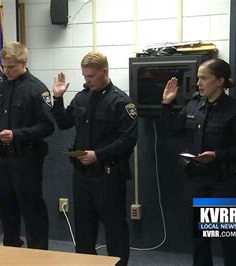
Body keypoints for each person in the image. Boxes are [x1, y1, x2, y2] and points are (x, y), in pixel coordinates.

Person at [161, 59, 236, 266]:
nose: (198, 83)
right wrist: (167, 103)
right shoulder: (194, 104)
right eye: (198, 78)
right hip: (199, 181)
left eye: (204, 78)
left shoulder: (235, 110)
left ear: (220, 81)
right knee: (200, 240)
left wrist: (218, 154)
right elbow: (170, 131)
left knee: (227, 241)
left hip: (225, 183)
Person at [52, 51, 137, 266]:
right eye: (84, 76)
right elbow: (63, 123)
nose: (86, 81)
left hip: (108, 175)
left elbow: (128, 139)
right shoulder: (82, 97)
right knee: (84, 230)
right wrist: (58, 97)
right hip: (82, 175)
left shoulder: (121, 102)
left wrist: (98, 155)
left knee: (114, 229)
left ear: (105, 72)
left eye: (91, 76)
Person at [0, 42, 54, 250]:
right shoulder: (2, 87)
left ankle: (38, 255)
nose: (6, 71)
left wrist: (17, 134)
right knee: (6, 208)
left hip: (26, 158)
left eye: (11, 67)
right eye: (4, 66)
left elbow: (47, 126)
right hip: (4, 159)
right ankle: (11, 250)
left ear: (24, 62)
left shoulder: (36, 89)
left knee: (32, 209)